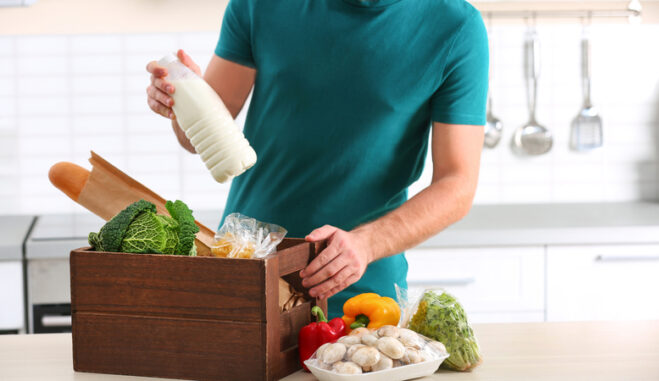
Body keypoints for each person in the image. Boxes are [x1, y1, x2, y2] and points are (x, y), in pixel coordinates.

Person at [146, 0, 488, 318]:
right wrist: (184, 101)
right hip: (246, 274)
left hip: (359, 293)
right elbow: (197, 140)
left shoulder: (455, 27)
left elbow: (457, 182)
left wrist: (367, 243)